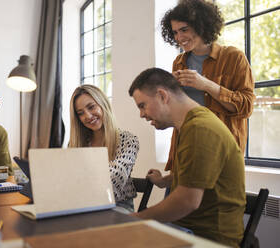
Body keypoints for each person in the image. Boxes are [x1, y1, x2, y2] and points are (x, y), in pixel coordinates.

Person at [129, 68, 245, 248]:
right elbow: (198, 174)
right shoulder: (191, 125)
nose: (141, 114)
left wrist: (137, 218)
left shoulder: (200, 128)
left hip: (208, 240)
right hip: (187, 230)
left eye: (142, 105)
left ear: (162, 95)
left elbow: (187, 201)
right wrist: (164, 180)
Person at [161, 0, 254, 172]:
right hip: (186, 151)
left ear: (201, 25)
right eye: (174, 32)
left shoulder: (234, 57)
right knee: (178, 198)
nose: (179, 38)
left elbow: (246, 107)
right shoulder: (179, 62)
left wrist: (206, 85)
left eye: (184, 30)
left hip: (221, 155)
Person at [69, 85, 139, 212]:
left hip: (118, 207)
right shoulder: (76, 143)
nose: (88, 116)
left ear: (103, 104)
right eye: (80, 113)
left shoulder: (128, 140)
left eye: (91, 107)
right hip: (82, 205)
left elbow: (115, 179)